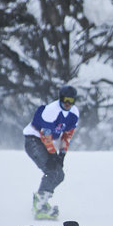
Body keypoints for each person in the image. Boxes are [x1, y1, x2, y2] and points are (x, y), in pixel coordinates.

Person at [23, 85, 79, 219]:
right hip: (33, 141)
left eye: (71, 101)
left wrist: (62, 154)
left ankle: (42, 199)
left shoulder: (74, 114)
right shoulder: (51, 111)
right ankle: (40, 205)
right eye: (65, 100)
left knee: (59, 174)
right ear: (60, 98)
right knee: (52, 170)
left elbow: (67, 135)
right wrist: (53, 155)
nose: (67, 104)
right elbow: (45, 135)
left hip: (45, 143)